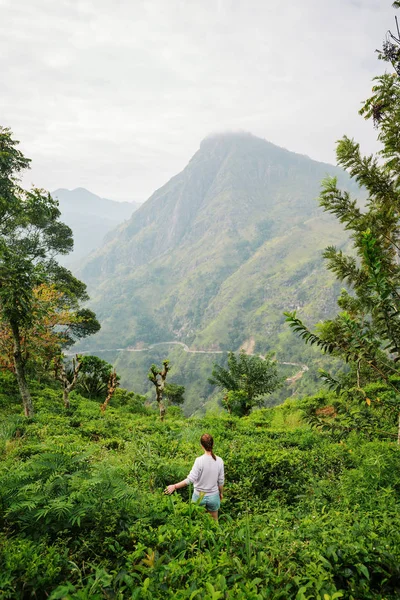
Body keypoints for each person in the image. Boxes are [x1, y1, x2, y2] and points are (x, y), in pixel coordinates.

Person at [164, 433, 224, 521]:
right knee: (214, 521)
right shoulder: (219, 461)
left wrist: (174, 486)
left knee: (197, 521)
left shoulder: (199, 461)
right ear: (213, 444)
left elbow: (190, 479)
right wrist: (221, 493)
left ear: (201, 446)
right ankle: (217, 535)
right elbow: (221, 481)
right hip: (213, 496)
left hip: (198, 496)